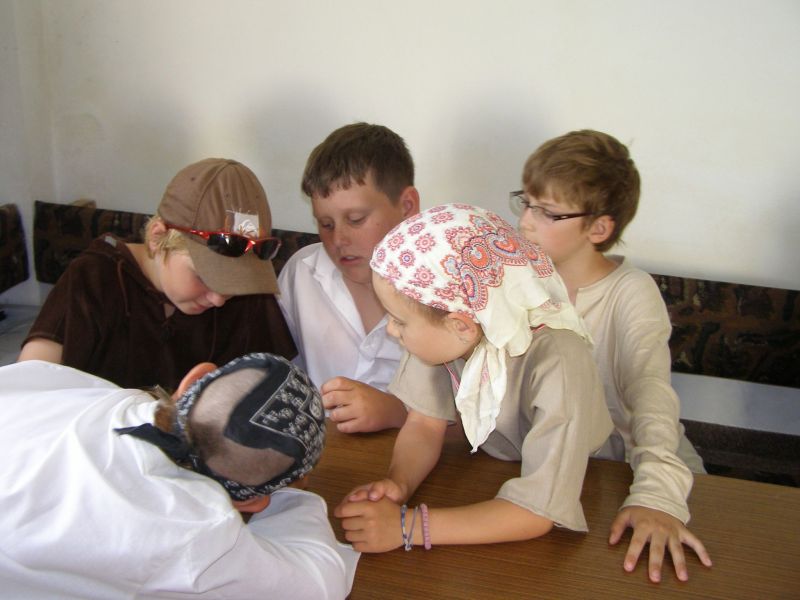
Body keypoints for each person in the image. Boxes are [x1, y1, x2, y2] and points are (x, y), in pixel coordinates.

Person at [334, 204, 613, 551]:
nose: (392, 330)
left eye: (399, 321)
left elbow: (538, 511)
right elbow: (424, 424)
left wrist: (408, 528)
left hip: (591, 480)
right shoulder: (446, 332)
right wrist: (398, 483)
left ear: (460, 325)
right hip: (494, 466)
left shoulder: (559, 361)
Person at [514, 129, 712, 582]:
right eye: (525, 203)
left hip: (634, 464)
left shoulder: (630, 292)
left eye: (546, 212)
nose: (525, 222)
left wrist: (657, 496)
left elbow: (650, 394)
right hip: (558, 462)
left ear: (598, 228)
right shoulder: (519, 280)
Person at [0, 353, 358, 599]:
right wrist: (295, 494)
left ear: (193, 380)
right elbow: (318, 585)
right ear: (250, 501)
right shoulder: (192, 532)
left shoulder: (67, 386)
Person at [18, 158, 295, 391]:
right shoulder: (94, 278)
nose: (219, 299)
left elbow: (274, 388)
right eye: (204, 277)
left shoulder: (248, 298)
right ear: (157, 237)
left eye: (235, 283)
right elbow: (28, 385)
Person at [278, 123, 419, 432]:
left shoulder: (447, 288)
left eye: (356, 220)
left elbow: (479, 425)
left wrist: (398, 413)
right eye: (326, 224)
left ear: (407, 207)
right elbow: (280, 378)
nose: (339, 239)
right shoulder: (301, 273)